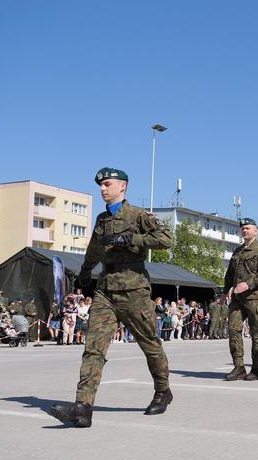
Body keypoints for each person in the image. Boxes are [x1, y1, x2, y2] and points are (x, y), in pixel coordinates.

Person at [50, 167, 173, 428]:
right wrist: (84, 272)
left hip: (134, 291)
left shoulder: (139, 215)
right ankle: (83, 408)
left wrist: (133, 238)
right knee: (93, 349)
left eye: (107, 184)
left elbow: (166, 239)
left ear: (122, 187)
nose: (103, 189)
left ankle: (163, 391)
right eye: (100, 186)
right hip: (105, 291)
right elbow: (94, 250)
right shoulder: (102, 220)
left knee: (150, 344)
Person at [221, 217, 258, 381]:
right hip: (237, 298)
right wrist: (224, 292)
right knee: (233, 330)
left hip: (255, 298)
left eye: (248, 228)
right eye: (243, 228)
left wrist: (248, 284)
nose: (245, 231)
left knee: (256, 333)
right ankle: (239, 366)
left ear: (256, 231)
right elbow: (229, 274)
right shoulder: (237, 252)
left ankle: (256, 369)